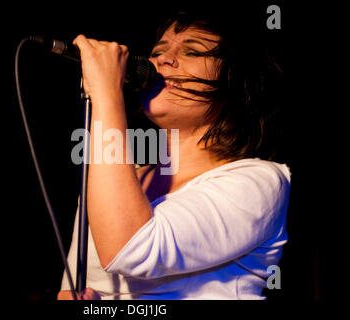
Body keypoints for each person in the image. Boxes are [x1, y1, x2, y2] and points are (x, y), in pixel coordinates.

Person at [58, 7, 290, 300]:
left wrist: (106, 93)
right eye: (158, 51)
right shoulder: (111, 181)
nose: (162, 60)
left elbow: (131, 250)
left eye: (192, 52)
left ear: (236, 82)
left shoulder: (259, 181)